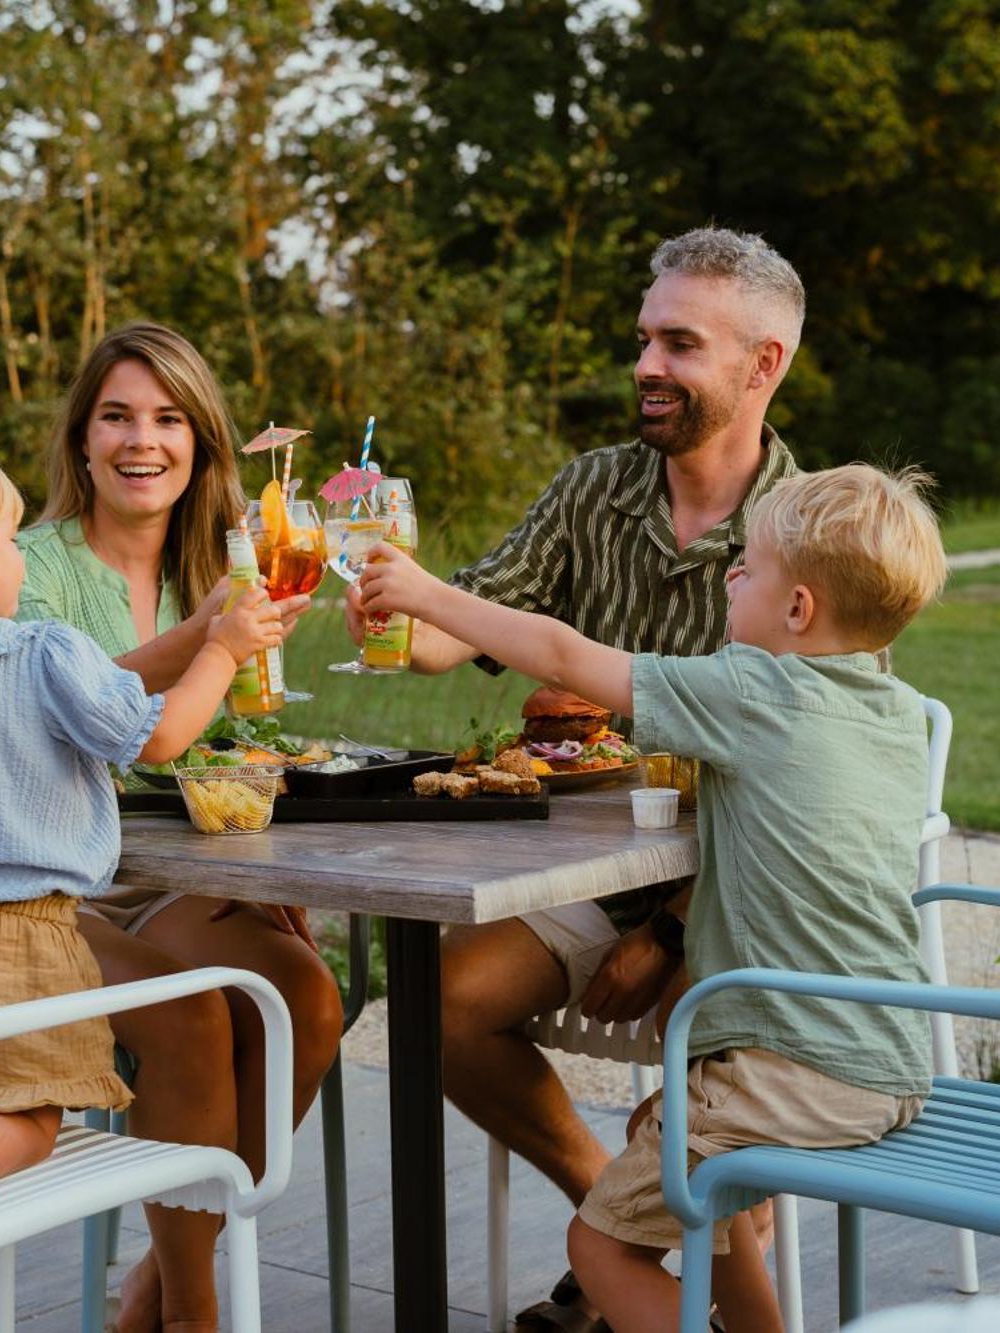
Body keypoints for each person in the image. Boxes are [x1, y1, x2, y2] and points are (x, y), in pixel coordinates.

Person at [359, 463, 947, 1332]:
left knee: (600, 1248)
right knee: (664, 1127)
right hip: (890, 1058)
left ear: (798, 611)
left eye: (747, 566)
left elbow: (564, 655)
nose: (730, 576)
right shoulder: (897, 712)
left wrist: (425, 594)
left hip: (794, 1063)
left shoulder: (753, 689)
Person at [344, 227, 805, 1327]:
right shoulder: (592, 488)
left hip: (746, 895)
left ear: (761, 365)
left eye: (678, 343)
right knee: (439, 1006)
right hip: (599, 870)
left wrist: (672, 931)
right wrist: (379, 601)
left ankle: (649, 1267)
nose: (645, 363)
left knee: (711, 1107)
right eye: (644, 337)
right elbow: (462, 623)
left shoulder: (815, 531)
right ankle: (612, 1216)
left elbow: (806, 791)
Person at [0, 425, 283, 1257]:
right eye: (7, 539)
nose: (20, 559)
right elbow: (162, 737)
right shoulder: (39, 651)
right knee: (26, 1115)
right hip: (22, 936)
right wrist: (222, 648)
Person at [17, 323, 345, 1332]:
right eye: (115, 415)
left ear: (199, 444)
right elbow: (52, 704)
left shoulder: (222, 564)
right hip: (55, 883)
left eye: (165, 419)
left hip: (168, 871)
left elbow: (230, 749)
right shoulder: (25, 568)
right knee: (199, 1013)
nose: (139, 439)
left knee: (304, 997)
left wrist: (263, 853)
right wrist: (203, 636)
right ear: (81, 439)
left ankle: (153, 1288)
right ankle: (193, 1310)